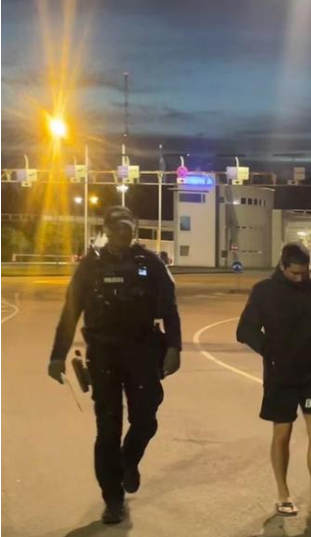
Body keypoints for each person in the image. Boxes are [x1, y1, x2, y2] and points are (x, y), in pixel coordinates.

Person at [47, 205, 182, 525]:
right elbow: (71, 311)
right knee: (107, 428)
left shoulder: (150, 263)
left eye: (128, 227)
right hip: (103, 352)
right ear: (106, 230)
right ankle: (113, 499)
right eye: (118, 227)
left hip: (142, 350)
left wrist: (174, 348)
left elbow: (170, 308)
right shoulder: (90, 266)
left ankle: (128, 460)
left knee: (145, 420)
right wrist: (57, 355)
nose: (124, 232)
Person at [236, 243, 311, 521]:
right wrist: (271, 351)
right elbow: (245, 330)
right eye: (294, 273)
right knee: (283, 433)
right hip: (281, 376)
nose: (300, 278)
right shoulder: (264, 290)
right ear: (282, 266)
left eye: (304, 273)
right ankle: (283, 494)